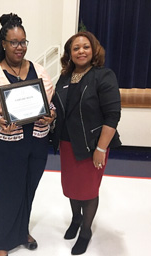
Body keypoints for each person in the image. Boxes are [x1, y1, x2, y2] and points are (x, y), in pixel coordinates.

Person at [0, 13, 55, 256]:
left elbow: (48, 102)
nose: (20, 47)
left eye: (24, 42)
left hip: (36, 143)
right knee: (7, 194)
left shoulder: (38, 70)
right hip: (5, 147)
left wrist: (52, 114)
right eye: (14, 42)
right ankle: (2, 243)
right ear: (3, 44)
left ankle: (22, 232)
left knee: (28, 189)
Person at [51, 31, 122, 255]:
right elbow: (59, 109)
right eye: (75, 48)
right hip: (67, 144)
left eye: (85, 47)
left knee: (89, 190)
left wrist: (101, 148)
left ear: (94, 51)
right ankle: (76, 219)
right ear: (69, 54)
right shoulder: (64, 78)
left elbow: (112, 115)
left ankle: (86, 231)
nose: (81, 51)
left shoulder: (104, 76)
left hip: (93, 145)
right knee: (72, 188)